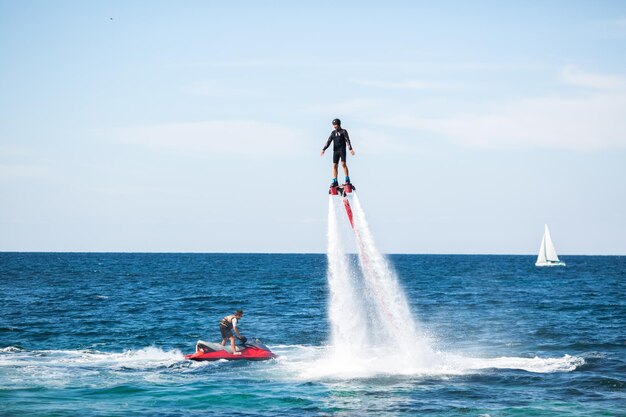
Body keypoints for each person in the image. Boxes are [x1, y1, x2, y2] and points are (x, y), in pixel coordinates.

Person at [320, 118, 355, 187]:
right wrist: (323, 149)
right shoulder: (333, 133)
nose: (334, 126)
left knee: (343, 164)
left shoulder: (343, 131)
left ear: (339, 124)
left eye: (335, 125)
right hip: (335, 151)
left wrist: (350, 148)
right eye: (333, 125)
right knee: (334, 165)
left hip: (342, 150)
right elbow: (329, 141)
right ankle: (335, 180)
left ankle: (347, 179)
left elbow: (347, 140)